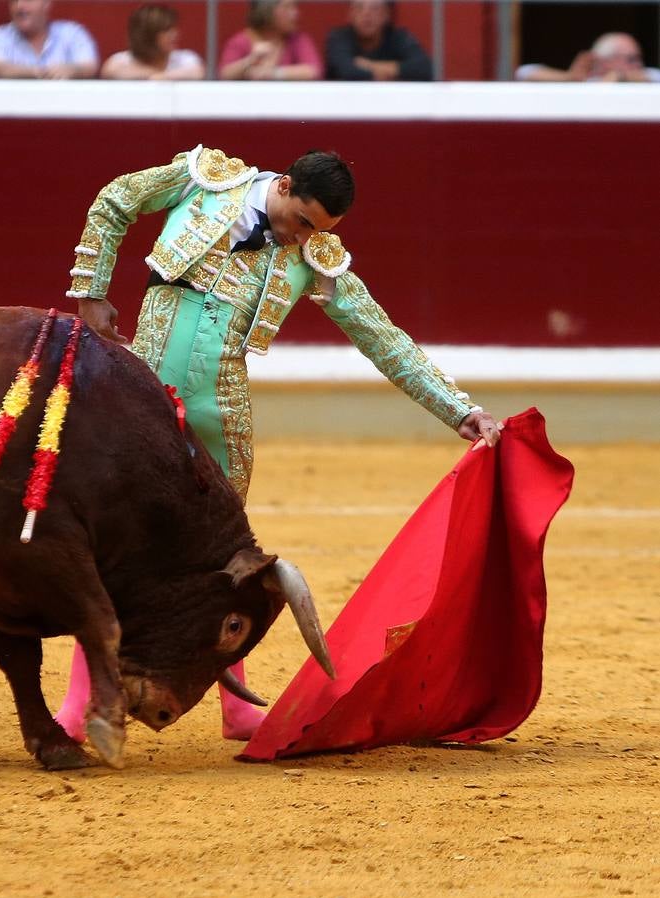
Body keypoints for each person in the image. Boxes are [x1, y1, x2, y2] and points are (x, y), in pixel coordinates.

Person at [57, 145, 501, 743]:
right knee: (115, 547)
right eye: (303, 222)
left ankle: (237, 709)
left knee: (223, 567)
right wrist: (91, 290)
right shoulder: (204, 181)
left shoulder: (315, 257)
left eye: (320, 231)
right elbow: (115, 200)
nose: (304, 238)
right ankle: (77, 707)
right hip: (143, 402)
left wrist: (459, 410)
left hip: (222, 418)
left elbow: (382, 338)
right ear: (285, 185)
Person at [0, 0, 98, 80]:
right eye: (14, 1)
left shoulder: (72, 33)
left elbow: (89, 66)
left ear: (46, 3)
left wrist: (71, 70)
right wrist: (40, 73)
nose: (19, 7)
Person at [324, 0, 432, 81]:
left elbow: (425, 68)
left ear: (387, 14)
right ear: (350, 14)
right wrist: (393, 72)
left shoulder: (398, 37)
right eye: (359, 8)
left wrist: (371, 65)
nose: (366, 14)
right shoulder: (338, 38)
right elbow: (347, 72)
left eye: (375, 8)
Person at [219, 0, 322, 81]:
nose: (295, 13)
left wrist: (274, 73)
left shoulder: (298, 40)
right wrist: (250, 60)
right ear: (266, 10)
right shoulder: (241, 41)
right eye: (287, 7)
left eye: (294, 7)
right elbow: (224, 74)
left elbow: (313, 71)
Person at [101, 4, 203, 81]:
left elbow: (198, 73)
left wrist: (163, 76)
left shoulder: (185, 59)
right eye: (166, 30)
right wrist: (155, 75)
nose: (175, 35)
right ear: (147, 35)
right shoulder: (121, 60)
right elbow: (111, 70)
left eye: (173, 29)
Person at [516, 32, 660, 83]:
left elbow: (656, 76)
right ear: (606, 61)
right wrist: (569, 77)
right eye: (631, 59)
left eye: (639, 58)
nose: (639, 64)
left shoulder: (642, 82)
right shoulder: (586, 82)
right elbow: (524, 72)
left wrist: (620, 76)